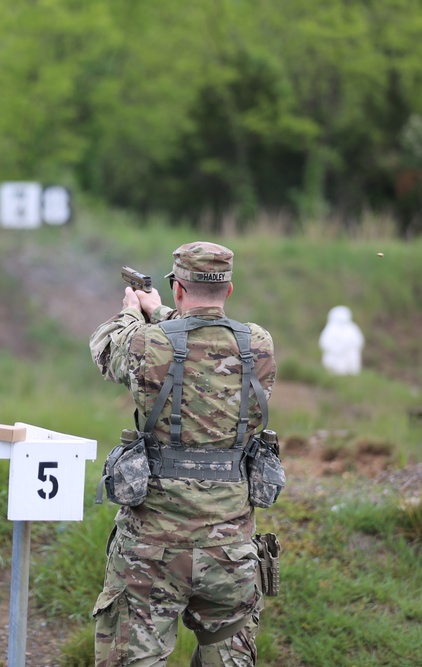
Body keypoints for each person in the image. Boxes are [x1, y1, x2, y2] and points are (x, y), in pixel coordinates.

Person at [89, 241, 276, 667]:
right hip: (231, 546)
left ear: (178, 289)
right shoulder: (259, 346)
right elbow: (208, 338)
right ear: (228, 290)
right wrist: (161, 314)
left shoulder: (147, 344)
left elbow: (105, 347)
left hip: (152, 548)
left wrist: (132, 313)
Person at [318, 305, 364, 375]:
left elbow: (359, 342)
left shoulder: (352, 328)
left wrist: (347, 347)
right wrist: (336, 349)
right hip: (335, 357)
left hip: (349, 358)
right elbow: (324, 343)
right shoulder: (331, 329)